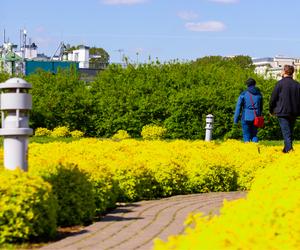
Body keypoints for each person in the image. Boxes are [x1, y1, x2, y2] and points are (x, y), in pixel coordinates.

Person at [269, 64, 300, 153]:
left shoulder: (279, 84)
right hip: (294, 112)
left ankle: (289, 150)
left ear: (284, 71)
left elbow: (273, 98)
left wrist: (271, 110)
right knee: (289, 131)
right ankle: (285, 149)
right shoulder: (297, 85)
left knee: (286, 132)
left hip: (282, 111)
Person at [234, 78, 263, 142]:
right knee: (254, 135)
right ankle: (255, 148)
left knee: (246, 135)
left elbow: (238, 107)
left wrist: (235, 119)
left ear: (247, 85)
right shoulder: (259, 94)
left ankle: (248, 149)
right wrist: (259, 115)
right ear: (255, 84)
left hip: (246, 117)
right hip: (256, 117)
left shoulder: (243, 94)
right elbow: (261, 107)